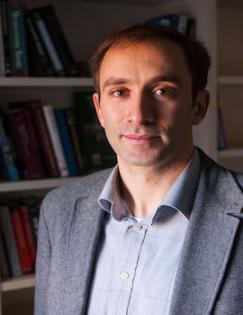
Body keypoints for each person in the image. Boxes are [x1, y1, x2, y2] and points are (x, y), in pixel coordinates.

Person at [35, 24, 243, 315]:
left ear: (199, 106)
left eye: (162, 91)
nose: (139, 115)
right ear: (99, 109)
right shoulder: (59, 210)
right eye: (119, 91)